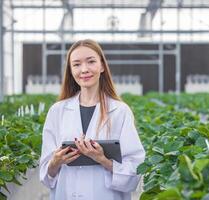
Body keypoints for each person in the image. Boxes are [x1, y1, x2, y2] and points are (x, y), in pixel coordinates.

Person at [39, 39, 145, 200]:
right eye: (76, 64)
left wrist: (103, 160)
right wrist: (55, 161)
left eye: (91, 61)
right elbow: (46, 176)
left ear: (102, 66)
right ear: (70, 70)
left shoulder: (120, 111)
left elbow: (135, 171)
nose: (84, 69)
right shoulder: (57, 111)